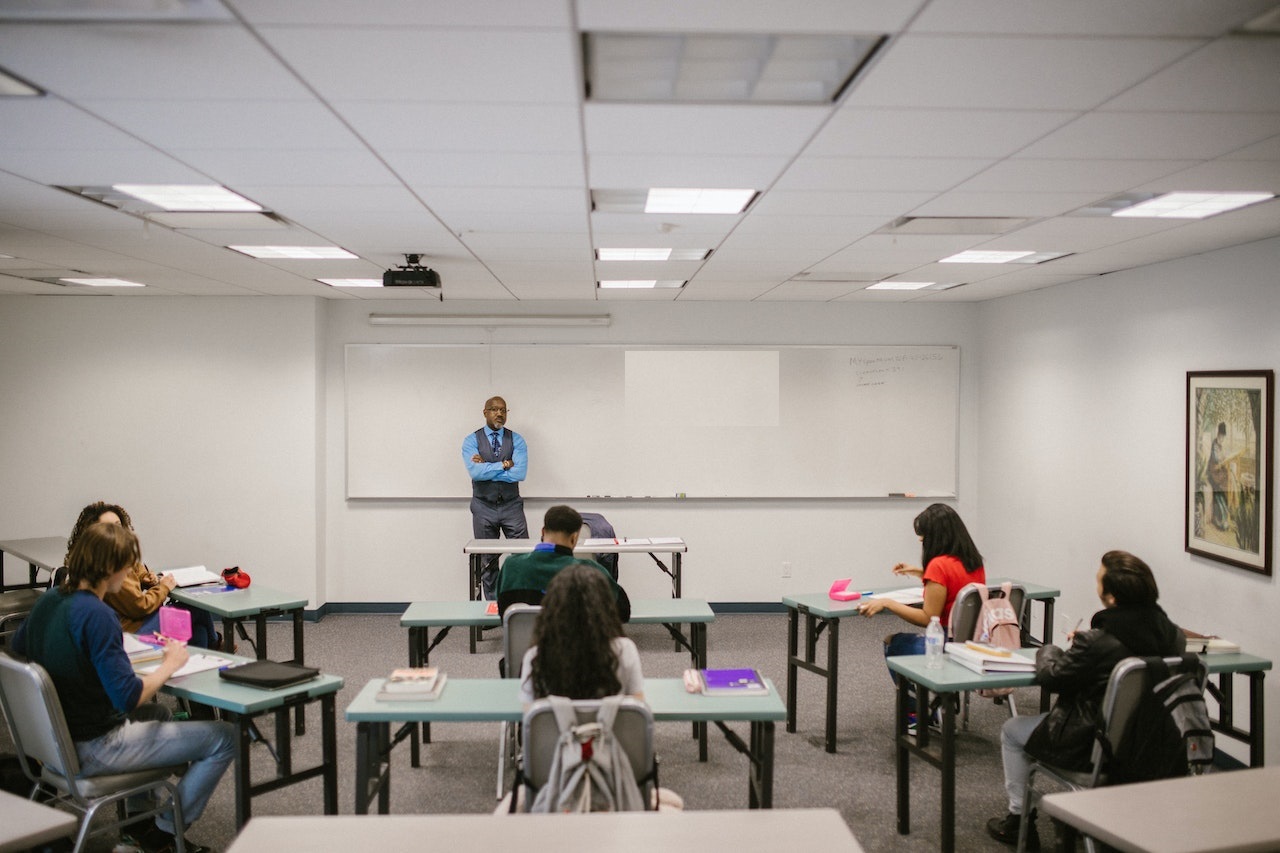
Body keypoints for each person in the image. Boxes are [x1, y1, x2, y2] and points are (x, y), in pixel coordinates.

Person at [13, 521, 235, 853]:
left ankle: (138, 825)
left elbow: (19, 648)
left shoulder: (50, 601)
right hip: (94, 747)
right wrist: (171, 664)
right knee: (224, 737)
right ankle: (165, 835)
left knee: (158, 712)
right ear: (112, 568)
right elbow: (129, 697)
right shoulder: (98, 615)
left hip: (50, 742)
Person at [985, 550, 1186, 850]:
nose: (1096, 585)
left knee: (1012, 731)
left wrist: (1048, 650)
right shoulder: (1175, 637)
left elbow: (1052, 677)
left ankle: (1018, 820)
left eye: (1098, 581)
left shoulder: (1097, 642)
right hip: (1153, 748)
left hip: (1093, 747)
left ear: (1112, 597)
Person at [66, 502, 220, 650]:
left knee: (198, 631)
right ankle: (218, 644)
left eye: (118, 525)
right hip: (132, 629)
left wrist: (144, 577)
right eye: (109, 527)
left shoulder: (109, 557)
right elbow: (140, 607)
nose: (116, 531)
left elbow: (135, 567)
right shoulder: (109, 567)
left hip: (136, 622)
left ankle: (201, 663)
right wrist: (163, 587)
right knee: (195, 608)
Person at [518, 563, 643, 704]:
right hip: (611, 726)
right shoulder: (624, 651)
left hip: (555, 727)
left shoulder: (536, 656)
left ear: (552, 608)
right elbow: (637, 709)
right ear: (605, 606)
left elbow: (530, 715)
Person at [497, 504, 630, 622]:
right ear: (574, 538)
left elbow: (504, 614)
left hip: (528, 648)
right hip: (576, 648)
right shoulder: (590, 571)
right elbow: (623, 612)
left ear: (543, 531)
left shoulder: (511, 567)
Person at [462, 395, 529, 599]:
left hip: (512, 506)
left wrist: (487, 466)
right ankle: (492, 607)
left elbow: (520, 473)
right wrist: (504, 464)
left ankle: (521, 602)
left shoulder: (516, 439)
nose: (499, 413)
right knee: (487, 560)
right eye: (494, 409)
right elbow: (476, 473)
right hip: (483, 506)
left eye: (503, 410)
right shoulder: (471, 440)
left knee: (523, 556)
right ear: (485, 413)